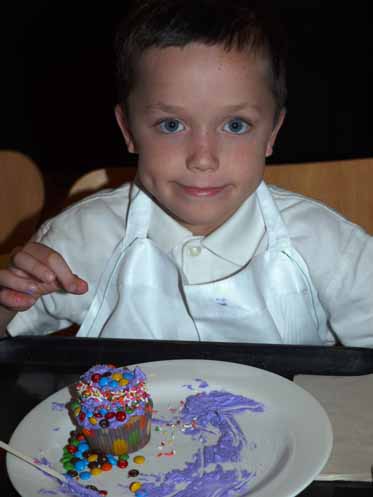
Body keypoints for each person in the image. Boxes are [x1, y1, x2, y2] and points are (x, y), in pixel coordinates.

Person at [1, 0, 373, 346]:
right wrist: (7, 300)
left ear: (272, 133)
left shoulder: (328, 246)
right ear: (128, 130)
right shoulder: (82, 240)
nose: (203, 158)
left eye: (236, 126)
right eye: (171, 125)